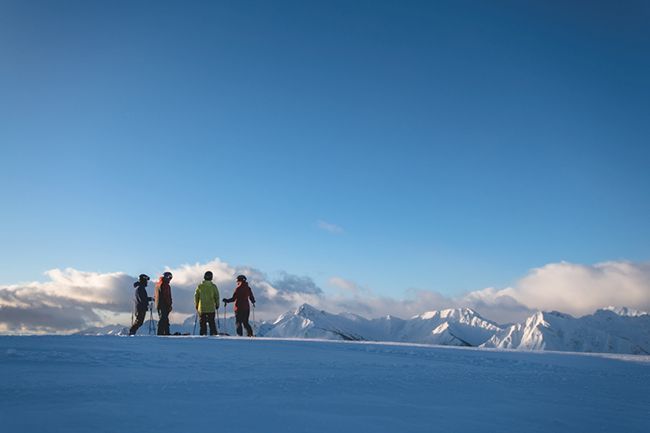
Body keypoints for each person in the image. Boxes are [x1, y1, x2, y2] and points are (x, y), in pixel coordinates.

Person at [194, 271, 220, 336]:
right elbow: (217, 296)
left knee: (202, 323)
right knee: (212, 323)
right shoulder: (213, 286)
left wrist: (196, 305)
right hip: (211, 308)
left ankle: (203, 334)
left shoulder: (200, 286)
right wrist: (217, 305)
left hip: (202, 308)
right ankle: (213, 334)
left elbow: (196, 296)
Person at [155, 271, 173, 335]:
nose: (170, 279)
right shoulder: (165, 285)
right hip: (164, 304)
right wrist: (169, 305)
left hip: (158, 304)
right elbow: (166, 296)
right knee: (163, 319)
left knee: (164, 319)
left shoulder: (158, 284)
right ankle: (161, 333)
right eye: (170, 277)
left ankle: (166, 332)